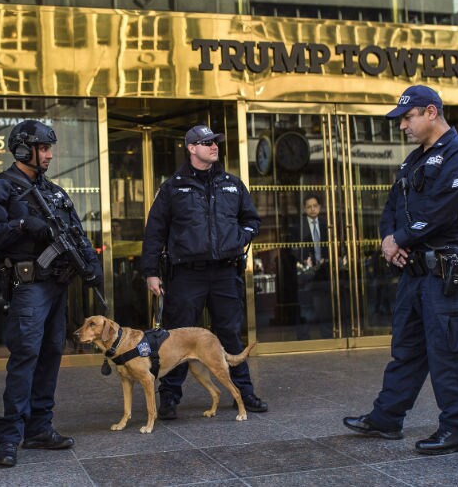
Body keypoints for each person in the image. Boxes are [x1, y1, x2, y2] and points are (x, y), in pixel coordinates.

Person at [343, 85, 458, 455]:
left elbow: (444, 210)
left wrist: (400, 239)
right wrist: (389, 240)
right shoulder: (413, 161)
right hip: (415, 274)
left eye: (407, 118)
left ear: (430, 112)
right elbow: (392, 204)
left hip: (446, 274)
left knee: (449, 352)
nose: (402, 126)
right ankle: (386, 419)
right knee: (406, 350)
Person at [0, 120, 103, 467]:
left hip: (57, 286)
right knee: (25, 357)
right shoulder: (0, 189)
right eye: (43, 149)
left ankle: (39, 428)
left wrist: (92, 264)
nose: (49, 155)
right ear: (23, 150)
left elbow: (76, 232)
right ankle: (10, 437)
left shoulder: (55, 192)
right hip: (28, 287)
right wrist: (19, 225)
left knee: (50, 356)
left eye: (49, 149)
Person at [141, 124, 267, 419]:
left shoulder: (232, 184)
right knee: (177, 339)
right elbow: (154, 232)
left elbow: (252, 220)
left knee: (230, 334)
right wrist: (151, 272)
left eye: (215, 142)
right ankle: (170, 398)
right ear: (191, 148)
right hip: (187, 274)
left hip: (224, 272)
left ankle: (244, 393)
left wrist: (241, 236)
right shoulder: (173, 187)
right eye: (207, 142)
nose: (214, 146)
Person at [293, 195, 332, 339]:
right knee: (306, 305)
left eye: (315, 205)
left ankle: (327, 334)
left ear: (320, 207)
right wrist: (304, 261)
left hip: (324, 271)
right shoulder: (299, 226)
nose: (312, 209)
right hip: (305, 272)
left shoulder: (326, 224)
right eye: (309, 206)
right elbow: (294, 249)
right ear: (304, 209)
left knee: (325, 305)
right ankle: (303, 336)